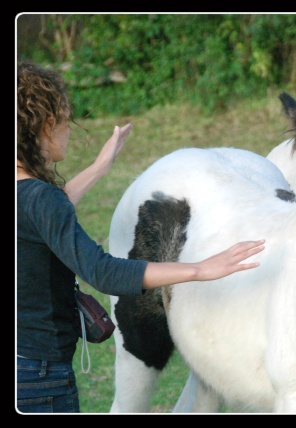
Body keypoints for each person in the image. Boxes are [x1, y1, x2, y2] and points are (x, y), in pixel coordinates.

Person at [16, 61, 265, 414]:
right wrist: (199, 269)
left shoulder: (26, 196)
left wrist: (101, 166)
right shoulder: (41, 199)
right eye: (66, 121)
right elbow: (103, 273)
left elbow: (42, 217)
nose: (69, 132)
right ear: (44, 126)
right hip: (40, 377)